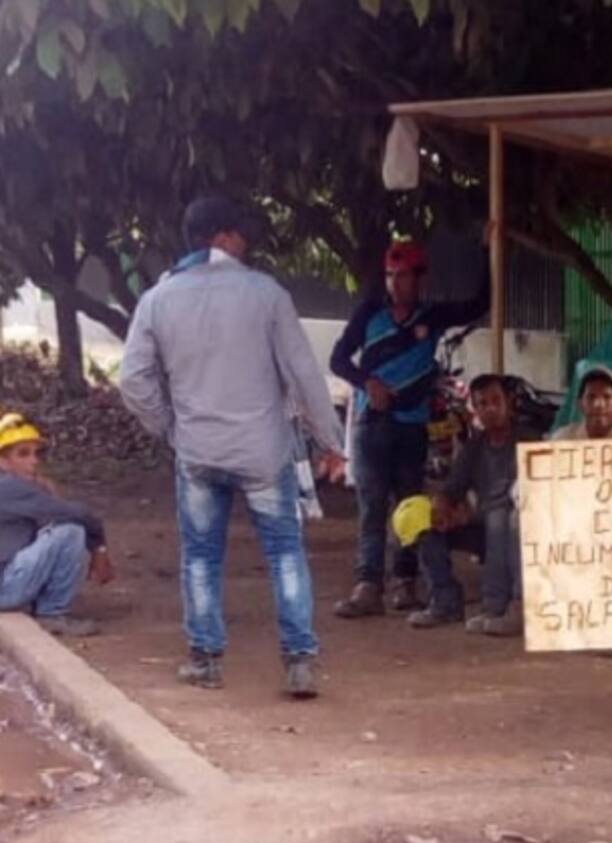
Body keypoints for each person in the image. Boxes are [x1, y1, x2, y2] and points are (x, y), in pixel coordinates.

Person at [119, 195, 345, 699]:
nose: (245, 245)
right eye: (240, 235)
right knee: (286, 552)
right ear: (222, 237)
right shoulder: (266, 294)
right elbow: (303, 374)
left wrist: (170, 428)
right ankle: (300, 662)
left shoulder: (158, 299)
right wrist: (332, 442)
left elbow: (132, 380)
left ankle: (204, 660)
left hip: (197, 451)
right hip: (264, 451)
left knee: (200, 556)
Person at [330, 230, 490, 619]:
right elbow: (338, 360)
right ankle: (368, 585)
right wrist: (367, 383)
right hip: (371, 423)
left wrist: (488, 251)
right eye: (390, 275)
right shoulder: (370, 314)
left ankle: (405, 583)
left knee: (409, 506)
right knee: (370, 507)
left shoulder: (431, 316)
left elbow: (479, 304)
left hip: (411, 426)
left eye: (403, 276)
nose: (396, 283)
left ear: (421, 279)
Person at [407, 374, 536, 636]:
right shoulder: (474, 446)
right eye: (482, 404)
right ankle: (445, 602)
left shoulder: (528, 438)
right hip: (483, 520)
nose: (490, 408)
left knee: (503, 519)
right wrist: (441, 509)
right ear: (474, 409)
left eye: (495, 401)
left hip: (521, 522)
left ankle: (506, 606)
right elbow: (452, 487)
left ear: (507, 403)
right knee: (422, 522)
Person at [0, 414, 114, 637]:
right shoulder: (9, 487)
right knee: (70, 533)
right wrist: (99, 548)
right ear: (3, 461)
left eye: (36, 453)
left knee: (61, 529)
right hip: (6, 589)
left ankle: (47, 610)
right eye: (23, 454)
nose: (34, 461)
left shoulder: (20, 488)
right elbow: (79, 514)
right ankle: (52, 613)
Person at [550, 366, 612, 441]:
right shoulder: (563, 439)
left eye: (607, 397)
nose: (598, 404)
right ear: (579, 403)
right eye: (591, 397)